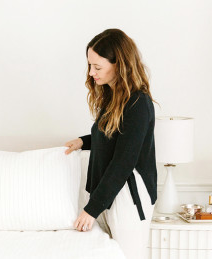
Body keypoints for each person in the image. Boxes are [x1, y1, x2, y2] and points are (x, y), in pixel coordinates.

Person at [64, 28, 157, 259]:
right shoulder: (113, 96)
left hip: (128, 195)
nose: (91, 72)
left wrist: (91, 209)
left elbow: (124, 161)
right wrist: (82, 142)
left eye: (97, 67)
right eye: (89, 66)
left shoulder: (137, 103)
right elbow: (111, 138)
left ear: (119, 64)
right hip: (109, 191)